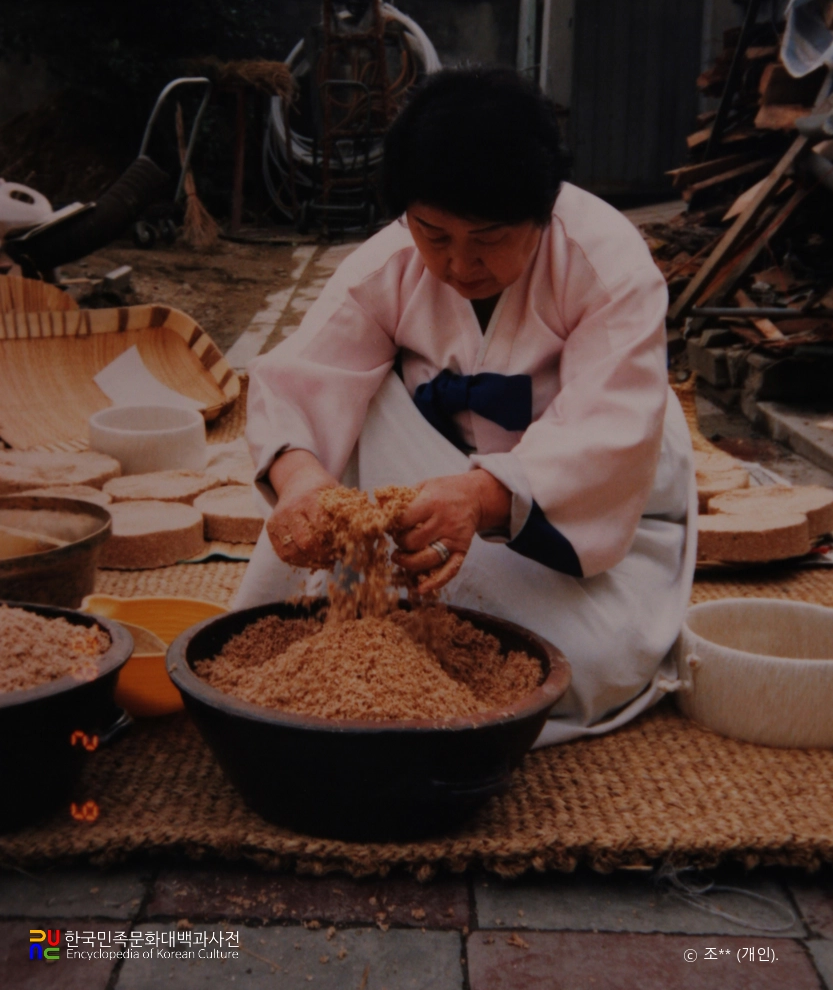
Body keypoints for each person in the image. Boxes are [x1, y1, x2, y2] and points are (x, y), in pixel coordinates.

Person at [234, 68, 696, 745]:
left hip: (584, 505)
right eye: (433, 233)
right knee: (349, 409)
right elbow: (302, 378)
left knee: (585, 666)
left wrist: (479, 498)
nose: (457, 264)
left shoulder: (609, 267)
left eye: (486, 238)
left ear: (542, 213)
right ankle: (358, 624)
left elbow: (609, 425)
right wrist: (301, 481)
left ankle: (430, 625)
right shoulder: (387, 263)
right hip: (430, 464)